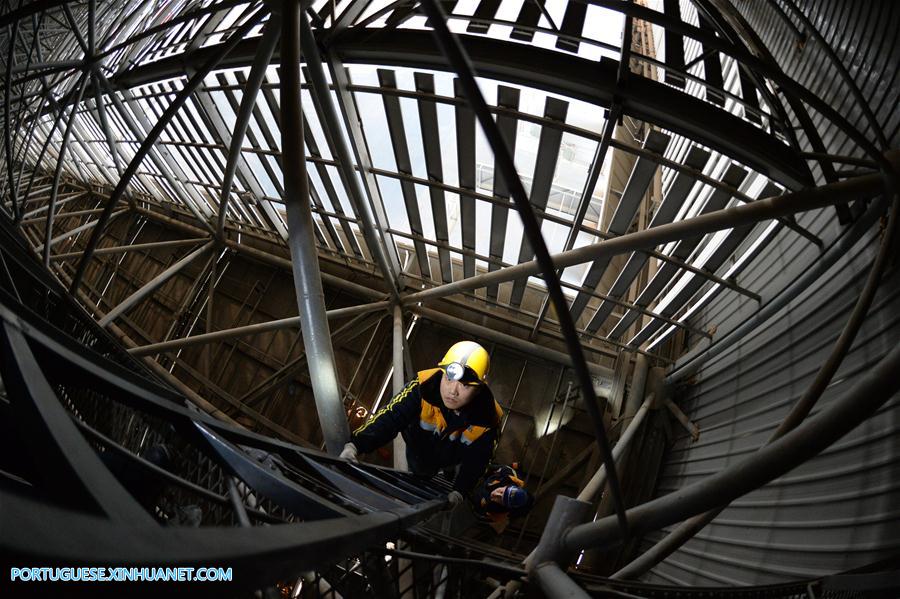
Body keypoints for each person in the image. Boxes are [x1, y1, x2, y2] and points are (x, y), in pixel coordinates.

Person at [340, 341, 503, 506]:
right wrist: (356, 445)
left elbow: (478, 461)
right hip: (418, 451)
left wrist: (461, 490)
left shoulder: (489, 418)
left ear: (480, 388)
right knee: (420, 469)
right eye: (448, 378)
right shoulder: (422, 386)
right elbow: (391, 416)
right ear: (441, 371)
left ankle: (448, 470)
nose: (453, 391)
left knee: (449, 465)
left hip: (452, 455)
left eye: (466, 385)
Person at [475, 463, 534, 533]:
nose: (496, 494)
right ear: (506, 486)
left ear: (504, 505)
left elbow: (475, 509)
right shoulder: (508, 473)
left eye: (500, 499)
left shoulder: (496, 513)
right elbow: (489, 468)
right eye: (501, 492)